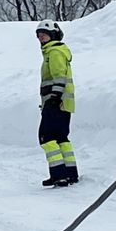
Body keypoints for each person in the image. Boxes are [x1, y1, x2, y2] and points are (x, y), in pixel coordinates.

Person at [36, 20, 77, 187]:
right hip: (63, 104)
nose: (41, 38)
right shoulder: (56, 51)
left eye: (44, 35)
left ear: (53, 35)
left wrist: (54, 97)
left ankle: (59, 175)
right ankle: (70, 173)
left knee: (46, 138)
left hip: (56, 103)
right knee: (61, 138)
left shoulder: (54, 53)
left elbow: (59, 76)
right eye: (39, 36)